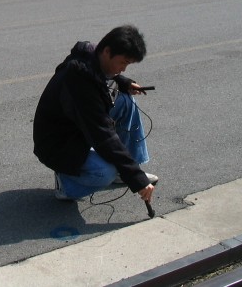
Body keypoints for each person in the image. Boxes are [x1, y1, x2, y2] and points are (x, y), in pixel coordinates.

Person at [33, 24, 156, 203]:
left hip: (76, 126)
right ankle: (65, 184)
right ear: (107, 51)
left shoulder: (91, 55)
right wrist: (136, 177)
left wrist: (124, 82)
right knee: (105, 172)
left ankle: (124, 171)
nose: (123, 69)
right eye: (123, 62)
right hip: (58, 145)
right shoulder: (79, 81)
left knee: (126, 101)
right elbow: (103, 135)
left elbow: (103, 75)